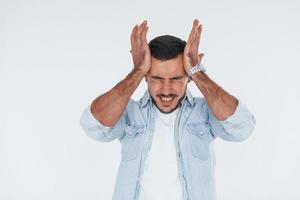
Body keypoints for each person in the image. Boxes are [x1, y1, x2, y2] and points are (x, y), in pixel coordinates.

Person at [80, 19, 256, 200]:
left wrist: (197, 72)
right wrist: (137, 71)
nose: (166, 90)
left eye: (176, 78)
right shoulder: (130, 113)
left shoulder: (205, 111)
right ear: (146, 76)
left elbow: (243, 128)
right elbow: (92, 126)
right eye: (156, 78)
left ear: (189, 75)